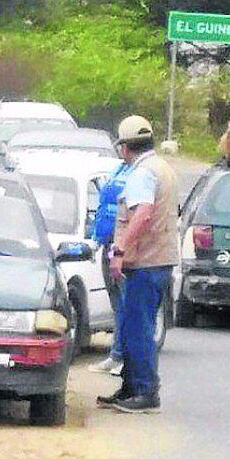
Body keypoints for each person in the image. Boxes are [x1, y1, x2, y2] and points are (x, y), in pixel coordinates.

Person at [96, 115, 178, 414]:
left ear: (125, 147)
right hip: (159, 259)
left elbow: (142, 214)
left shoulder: (141, 173)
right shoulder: (162, 168)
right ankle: (130, 387)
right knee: (134, 326)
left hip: (145, 261)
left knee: (138, 329)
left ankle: (144, 391)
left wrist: (119, 250)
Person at [87, 157, 132, 376]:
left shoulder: (139, 173)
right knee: (117, 304)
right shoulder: (119, 169)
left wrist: (120, 248)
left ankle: (123, 357)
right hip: (108, 243)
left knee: (126, 304)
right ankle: (116, 354)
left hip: (122, 246)